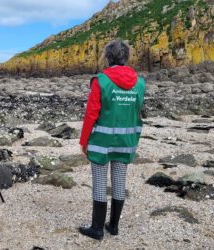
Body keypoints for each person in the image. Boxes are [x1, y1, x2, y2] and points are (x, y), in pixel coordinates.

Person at [78, 40, 145, 240]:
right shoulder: (140, 83)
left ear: (107, 57)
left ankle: (97, 229)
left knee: (99, 182)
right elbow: (138, 112)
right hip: (127, 142)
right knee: (119, 181)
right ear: (126, 57)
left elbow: (91, 113)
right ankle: (113, 226)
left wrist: (83, 141)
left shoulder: (101, 81)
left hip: (101, 142)